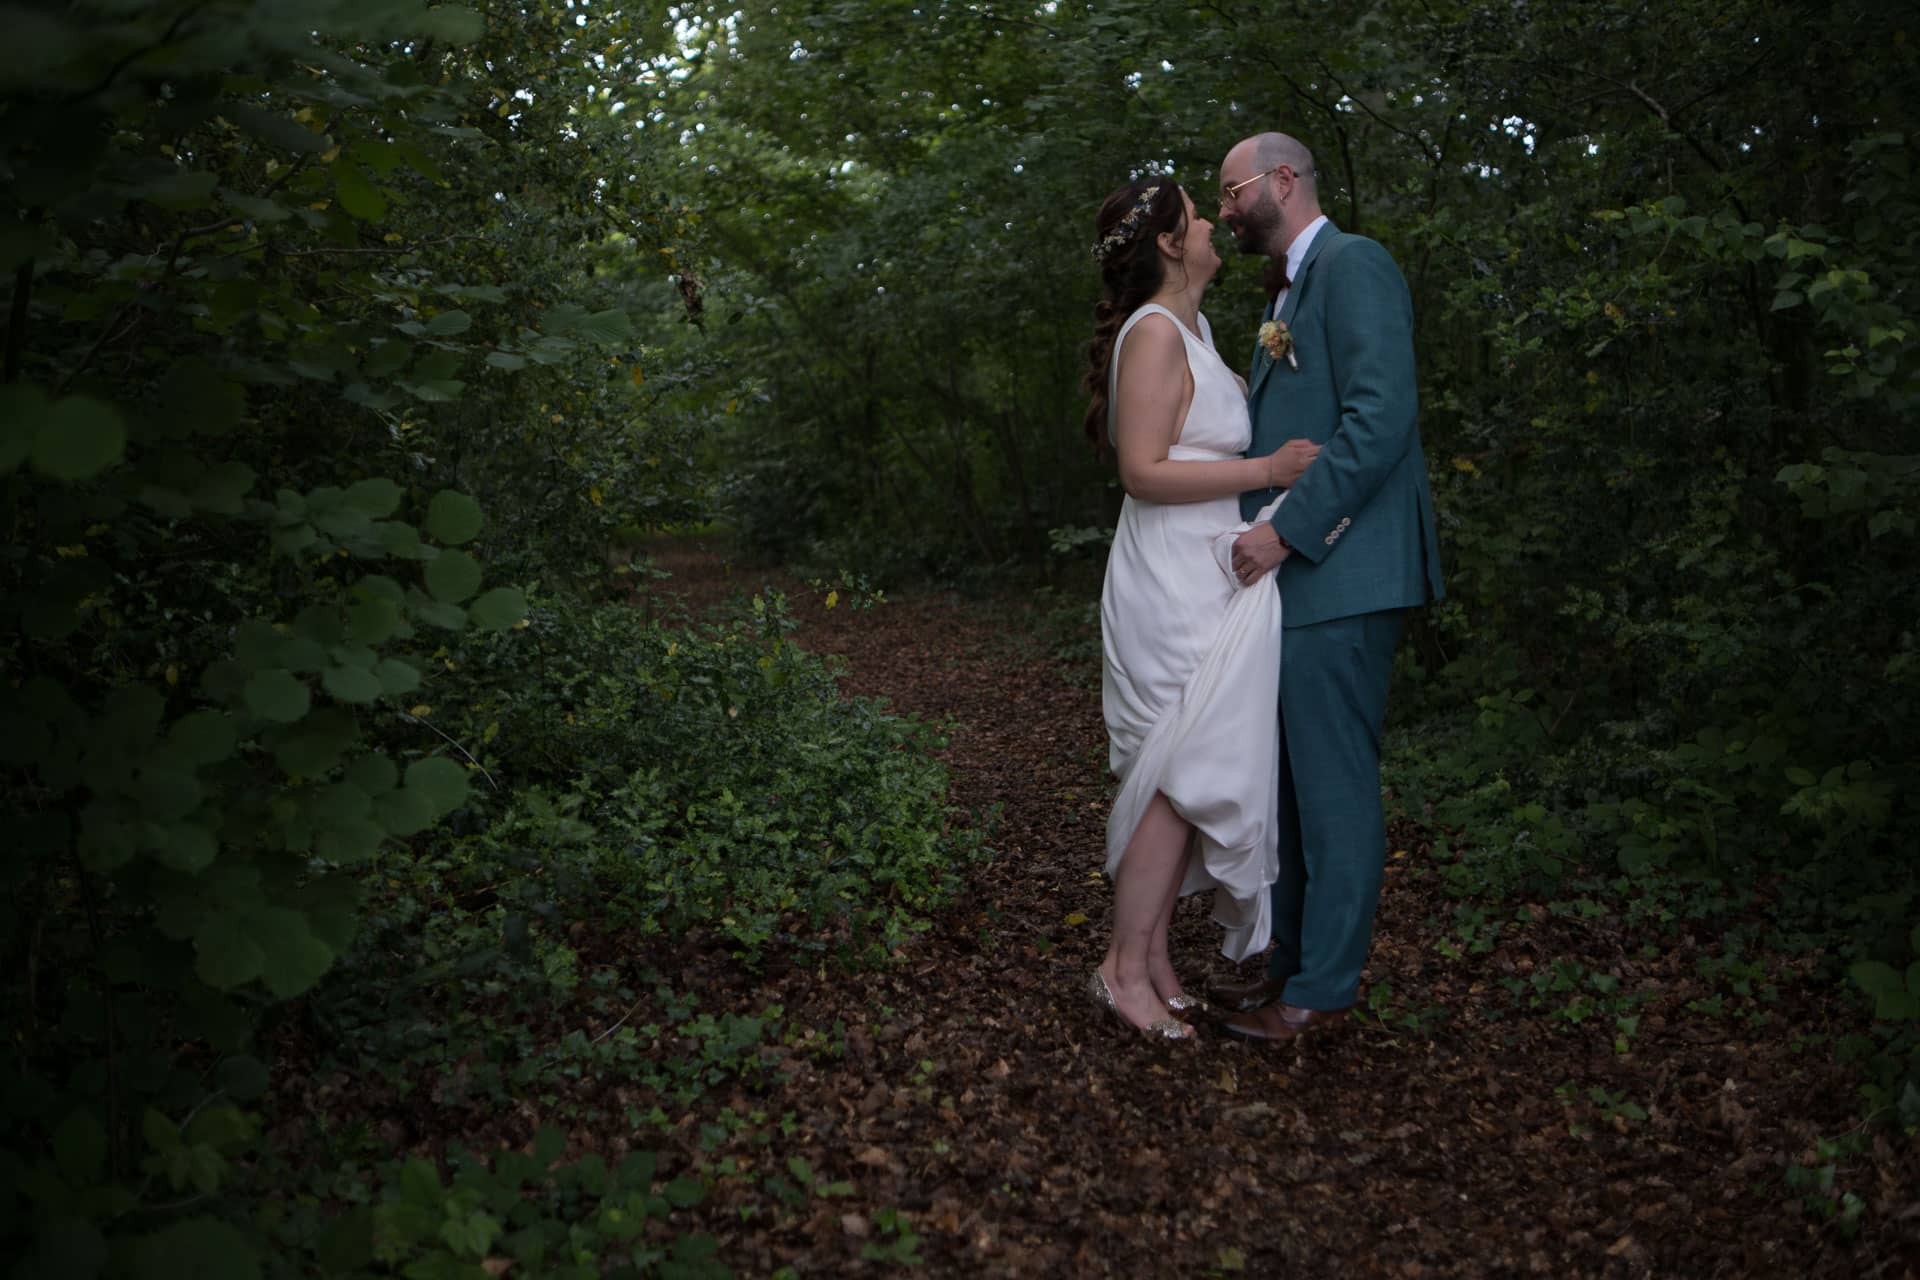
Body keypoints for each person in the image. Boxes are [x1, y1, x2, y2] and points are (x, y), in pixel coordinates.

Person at [1209, 132, 1445, 1043]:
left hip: (1344, 567)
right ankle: (1289, 967)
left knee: (1333, 784)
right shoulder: (1287, 290)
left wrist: (1286, 531)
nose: (1225, 210)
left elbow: (1381, 417)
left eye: (1231, 191)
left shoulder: (1355, 265)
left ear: (1283, 180)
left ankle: (1323, 991)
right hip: (1300, 580)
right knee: (1293, 786)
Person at [1082, 178, 1320, 1040]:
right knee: (1177, 773)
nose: (1216, 223)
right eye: (1197, 215)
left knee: (1192, 767)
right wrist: (1268, 472)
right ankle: (1120, 969)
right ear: (1170, 244)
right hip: (1169, 575)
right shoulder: (1152, 333)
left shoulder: (1198, 330)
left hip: (1209, 568)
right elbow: (1143, 471)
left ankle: (1150, 960)